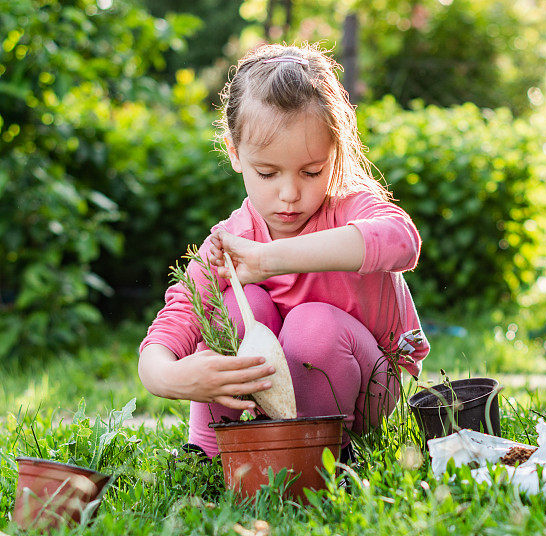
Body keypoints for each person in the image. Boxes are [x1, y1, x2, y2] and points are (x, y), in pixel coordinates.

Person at [137, 43, 429, 459]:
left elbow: (402, 241)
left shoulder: (348, 205)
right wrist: (176, 378)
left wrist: (271, 259)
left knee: (312, 326)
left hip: (366, 386)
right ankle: (208, 455)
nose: (289, 195)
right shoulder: (230, 239)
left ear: (335, 153)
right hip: (267, 389)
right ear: (235, 154)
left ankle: (322, 455)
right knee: (236, 306)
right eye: (268, 173)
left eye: (312, 171)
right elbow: (170, 331)